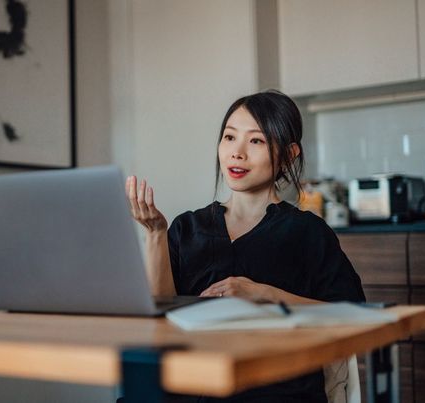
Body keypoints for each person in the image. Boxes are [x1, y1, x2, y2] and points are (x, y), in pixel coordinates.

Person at [125, 90, 365, 403]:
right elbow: (160, 318)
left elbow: (353, 316)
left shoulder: (307, 232)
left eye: (256, 141)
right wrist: (155, 233)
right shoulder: (187, 227)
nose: (237, 153)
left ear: (289, 154)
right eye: (229, 137)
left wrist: (265, 295)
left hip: (274, 390)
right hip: (189, 385)